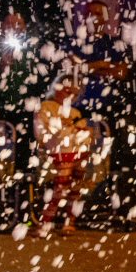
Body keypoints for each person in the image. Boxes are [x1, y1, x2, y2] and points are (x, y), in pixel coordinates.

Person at [33, 73, 103, 235]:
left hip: (78, 153)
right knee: (60, 189)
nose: (70, 95)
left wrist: (83, 132)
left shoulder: (75, 112)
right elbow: (42, 134)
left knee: (76, 188)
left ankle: (69, 220)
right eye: (66, 90)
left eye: (74, 93)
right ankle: (45, 222)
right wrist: (65, 129)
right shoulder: (45, 107)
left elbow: (85, 136)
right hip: (58, 154)